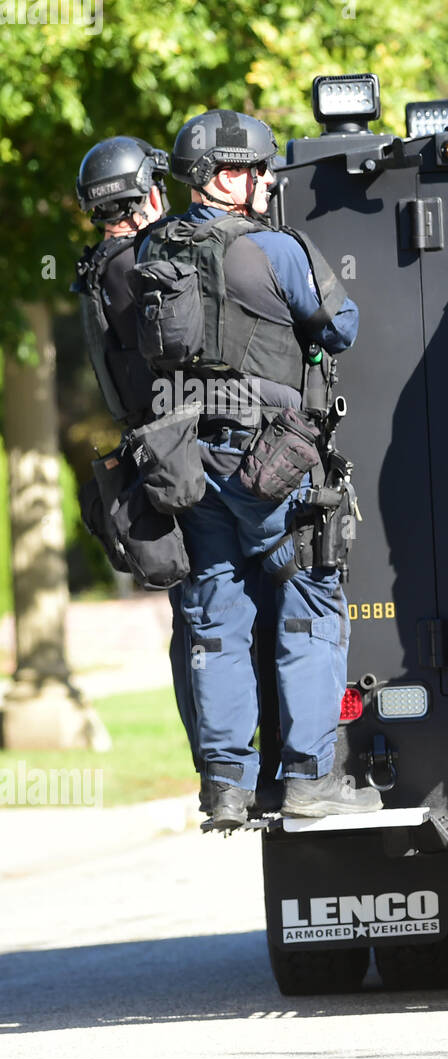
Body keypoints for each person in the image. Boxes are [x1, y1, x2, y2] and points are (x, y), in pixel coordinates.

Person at [136, 109, 379, 829]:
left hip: (186, 458)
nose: (268, 179)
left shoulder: (157, 246)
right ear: (225, 175)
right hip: (268, 458)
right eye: (258, 168)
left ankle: (225, 786)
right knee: (310, 597)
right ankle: (308, 779)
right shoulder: (272, 250)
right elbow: (343, 326)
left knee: (216, 610)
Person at [73, 136, 204, 782]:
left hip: (150, 455)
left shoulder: (100, 264)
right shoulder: (137, 267)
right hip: (179, 455)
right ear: (151, 195)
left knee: (191, 622)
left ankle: (217, 759)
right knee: (209, 616)